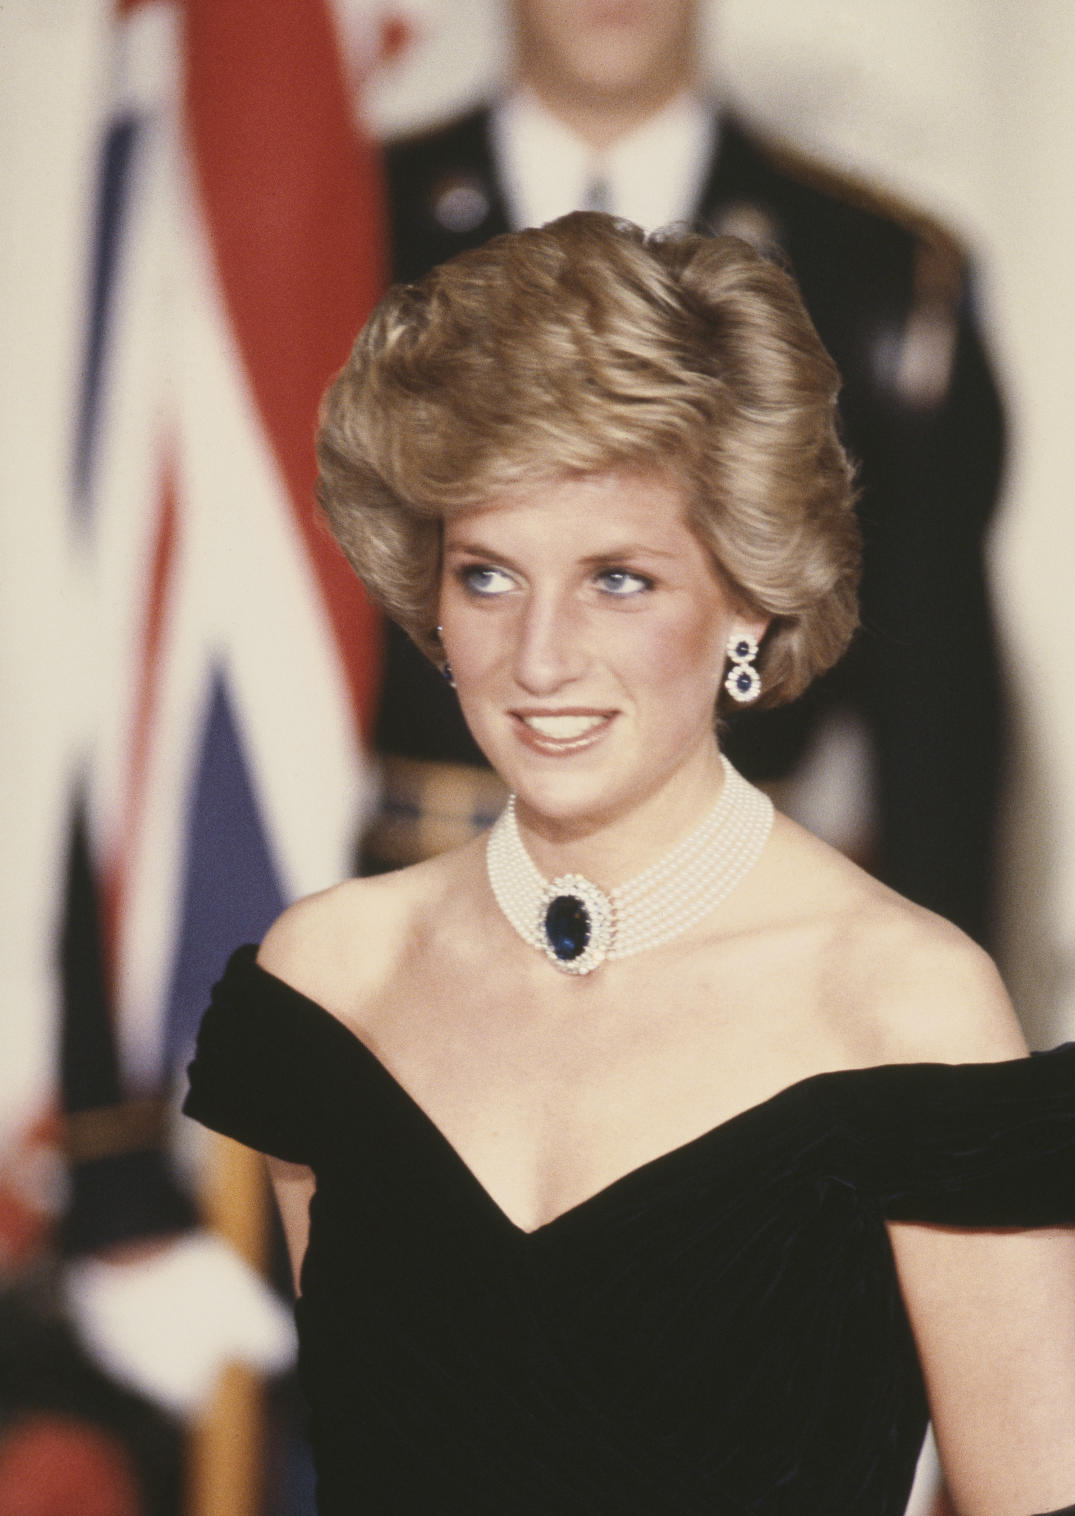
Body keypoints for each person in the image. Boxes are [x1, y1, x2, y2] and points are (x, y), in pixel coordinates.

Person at [184, 215, 1075, 1516]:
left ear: (749, 600)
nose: (540, 657)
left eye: (617, 575)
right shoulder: (328, 983)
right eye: (489, 571)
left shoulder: (901, 1002)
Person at [378, 0, 1005, 946]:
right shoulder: (340, 227)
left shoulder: (872, 273)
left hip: (741, 945)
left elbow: (938, 724)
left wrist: (934, 1060)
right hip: (405, 927)